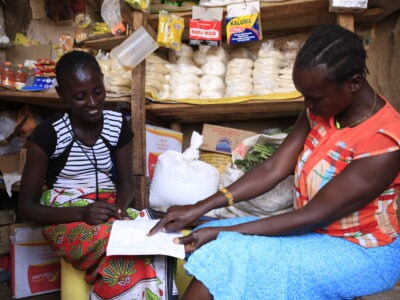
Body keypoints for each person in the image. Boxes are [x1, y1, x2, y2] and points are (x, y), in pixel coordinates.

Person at [149, 24, 400, 299]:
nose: (307, 104)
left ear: (353, 82)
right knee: (207, 229)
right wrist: (200, 207)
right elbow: (273, 168)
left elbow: (312, 215)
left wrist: (223, 231)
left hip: (360, 250)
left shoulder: (385, 141)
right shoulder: (320, 110)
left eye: (314, 97)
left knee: (226, 246)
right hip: (312, 231)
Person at [18, 50, 177, 300]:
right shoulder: (48, 134)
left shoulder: (117, 125)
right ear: (62, 94)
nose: (92, 103)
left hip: (108, 210)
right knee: (120, 247)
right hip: (65, 216)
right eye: (80, 97)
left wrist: (120, 210)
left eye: (98, 91)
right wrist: (83, 212)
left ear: (104, 82)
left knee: (157, 237)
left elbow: (126, 185)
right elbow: (26, 207)